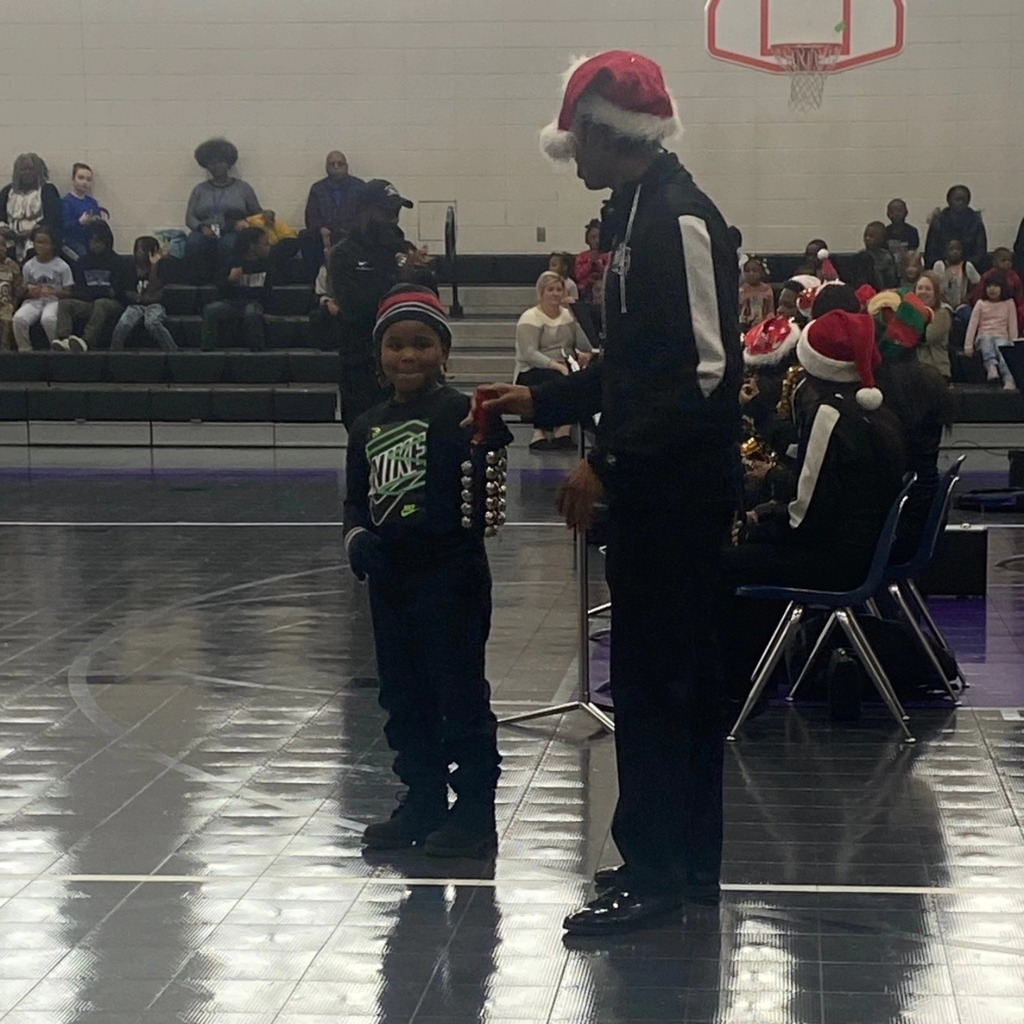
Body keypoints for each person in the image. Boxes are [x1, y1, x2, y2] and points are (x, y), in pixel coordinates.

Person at [481, 51, 742, 934]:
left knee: (664, 683)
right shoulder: (632, 217)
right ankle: (676, 867)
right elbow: (635, 365)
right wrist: (544, 398)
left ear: (601, 130)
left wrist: (612, 462)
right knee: (654, 678)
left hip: (677, 495)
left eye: (577, 141)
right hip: (656, 488)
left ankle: (662, 872)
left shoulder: (681, 219)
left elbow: (708, 375)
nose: (574, 159)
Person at [344, 285, 511, 859]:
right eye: (395, 345)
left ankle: (474, 813)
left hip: (452, 576)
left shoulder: (460, 415)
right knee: (403, 693)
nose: (407, 356)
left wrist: (489, 429)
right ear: (379, 354)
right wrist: (358, 536)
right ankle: (421, 797)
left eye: (420, 344)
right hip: (391, 580)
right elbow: (354, 499)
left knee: (458, 693)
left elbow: (488, 478)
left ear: (443, 350)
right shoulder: (366, 424)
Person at [330, 179, 427, 430]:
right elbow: (355, 308)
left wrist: (423, 273)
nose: (393, 219)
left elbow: (424, 303)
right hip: (362, 364)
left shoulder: (403, 250)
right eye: (387, 212)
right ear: (367, 212)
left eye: (396, 212)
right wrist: (399, 278)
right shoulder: (344, 254)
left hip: (403, 366)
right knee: (365, 440)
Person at [514, 271, 593, 451]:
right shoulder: (530, 317)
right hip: (534, 368)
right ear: (541, 292)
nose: (556, 293)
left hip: (565, 363)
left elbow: (583, 343)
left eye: (559, 289)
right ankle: (539, 433)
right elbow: (529, 353)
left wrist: (577, 320)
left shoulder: (567, 316)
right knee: (550, 380)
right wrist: (555, 365)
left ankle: (563, 431)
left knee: (578, 380)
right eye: (551, 290)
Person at [51, 221, 128, 352]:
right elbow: (80, 290)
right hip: (88, 303)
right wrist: (102, 291)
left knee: (101, 303)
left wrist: (96, 292)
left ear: (106, 241)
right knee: (65, 304)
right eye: (92, 240)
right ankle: (64, 339)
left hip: (113, 305)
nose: (95, 244)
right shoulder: (82, 262)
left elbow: (117, 292)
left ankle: (87, 340)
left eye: (98, 240)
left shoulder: (118, 262)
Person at [184, 138, 262, 264]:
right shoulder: (199, 189)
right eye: (212, 163)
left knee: (228, 244)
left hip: (233, 231)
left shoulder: (243, 188)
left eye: (220, 162)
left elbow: (257, 213)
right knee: (193, 243)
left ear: (228, 163)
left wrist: (245, 222)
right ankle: (197, 280)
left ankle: (226, 279)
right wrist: (201, 228)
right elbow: (190, 217)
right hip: (205, 230)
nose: (216, 166)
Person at [201, 227, 271, 351]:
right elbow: (220, 287)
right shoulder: (232, 262)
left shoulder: (266, 265)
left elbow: (267, 291)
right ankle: (207, 349)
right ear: (252, 246)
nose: (268, 247)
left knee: (252, 313)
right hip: (231, 303)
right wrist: (230, 280)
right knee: (210, 310)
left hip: (254, 302)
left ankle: (258, 351)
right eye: (265, 244)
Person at [110, 236, 178, 352]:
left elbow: (153, 288)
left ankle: (172, 351)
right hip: (135, 305)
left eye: (140, 250)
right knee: (124, 323)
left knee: (152, 323)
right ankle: (114, 353)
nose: (137, 253)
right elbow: (126, 291)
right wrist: (140, 298)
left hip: (155, 305)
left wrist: (154, 265)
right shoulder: (128, 267)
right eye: (136, 250)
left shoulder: (162, 267)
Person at [12, 226, 73, 351]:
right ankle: (25, 350)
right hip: (34, 301)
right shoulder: (28, 265)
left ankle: (57, 349)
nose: (41, 246)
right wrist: (30, 292)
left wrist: (55, 292)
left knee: (48, 319)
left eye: (45, 243)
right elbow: (22, 291)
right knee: (19, 319)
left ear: (53, 245)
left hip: (54, 301)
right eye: (38, 242)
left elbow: (69, 292)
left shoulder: (62, 266)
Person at [302, 150, 365, 263]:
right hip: (324, 236)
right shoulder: (317, 189)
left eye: (339, 163)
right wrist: (320, 229)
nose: (336, 167)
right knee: (306, 236)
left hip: (352, 235)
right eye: (332, 164)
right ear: (326, 167)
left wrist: (351, 230)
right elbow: (311, 216)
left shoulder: (360, 187)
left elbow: (365, 214)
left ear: (346, 166)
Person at [0, 154, 62, 260]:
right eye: (23, 169)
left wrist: (33, 232)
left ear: (38, 171)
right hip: (10, 239)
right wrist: (3, 228)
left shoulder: (47, 190)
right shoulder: (7, 192)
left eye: (31, 169)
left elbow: (52, 218)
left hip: (37, 240)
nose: (27, 173)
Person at [964, 272, 1017, 389]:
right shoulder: (981, 304)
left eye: (996, 286)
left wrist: (1014, 343)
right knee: (987, 341)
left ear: (1002, 288)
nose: (992, 290)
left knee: (1002, 348)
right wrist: (968, 345)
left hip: (1002, 336)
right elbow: (972, 325)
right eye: (989, 286)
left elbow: (1012, 324)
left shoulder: (1009, 303)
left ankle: (1008, 379)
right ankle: (991, 367)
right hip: (984, 335)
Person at [924, 185, 987, 271]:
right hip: (942, 268)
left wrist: (963, 266)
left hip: (969, 268)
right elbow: (930, 252)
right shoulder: (938, 221)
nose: (960, 203)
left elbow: (980, 252)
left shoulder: (976, 222)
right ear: (949, 201)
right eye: (957, 200)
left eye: (964, 200)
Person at [968, 247, 1024, 331]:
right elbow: (978, 296)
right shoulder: (987, 276)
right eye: (1003, 260)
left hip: (1010, 310)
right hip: (989, 309)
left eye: (1009, 260)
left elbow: (1019, 297)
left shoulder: (1014, 277)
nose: (1007, 263)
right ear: (994, 262)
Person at [61, 163, 107, 258]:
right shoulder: (66, 202)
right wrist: (80, 222)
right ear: (73, 179)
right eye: (81, 178)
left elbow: (99, 227)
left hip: (91, 242)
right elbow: (63, 227)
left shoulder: (92, 202)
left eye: (88, 179)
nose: (85, 182)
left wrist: (96, 220)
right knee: (84, 255)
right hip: (72, 243)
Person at [914, 270, 953, 381]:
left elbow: (928, 337)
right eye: (920, 288)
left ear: (936, 293)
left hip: (936, 370)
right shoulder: (910, 312)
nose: (923, 292)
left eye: (928, 289)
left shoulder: (942, 313)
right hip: (914, 369)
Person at [933, 239, 980, 310]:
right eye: (951, 249)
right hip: (942, 303)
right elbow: (933, 285)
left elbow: (978, 284)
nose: (955, 252)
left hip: (962, 304)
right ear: (946, 252)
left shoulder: (967, 266)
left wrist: (968, 297)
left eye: (958, 249)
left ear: (962, 251)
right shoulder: (939, 265)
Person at [855, 221, 900, 291]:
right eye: (865, 235)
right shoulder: (861, 256)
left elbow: (892, 280)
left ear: (881, 239)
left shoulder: (887, 257)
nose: (867, 239)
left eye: (871, 236)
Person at [0, 227, 24, 350]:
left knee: (6, 320)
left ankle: (5, 353)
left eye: (3, 245)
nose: (0, 248)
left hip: (6, 304)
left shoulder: (12, 266)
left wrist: (14, 305)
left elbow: (18, 290)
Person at [574, 218, 609, 300]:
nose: (596, 240)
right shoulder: (582, 256)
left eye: (599, 237)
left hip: (604, 288)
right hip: (585, 290)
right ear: (587, 239)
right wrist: (590, 262)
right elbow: (578, 275)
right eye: (593, 237)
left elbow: (609, 274)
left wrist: (599, 263)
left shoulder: (608, 255)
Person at [739, 256, 774, 332]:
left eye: (755, 271)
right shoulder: (741, 290)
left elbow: (770, 309)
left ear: (761, 273)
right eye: (747, 271)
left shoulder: (766, 289)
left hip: (763, 324)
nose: (751, 273)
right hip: (744, 324)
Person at [885, 198, 920, 264]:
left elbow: (913, 251)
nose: (896, 214)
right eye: (893, 211)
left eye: (899, 210)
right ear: (888, 214)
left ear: (906, 212)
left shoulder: (912, 232)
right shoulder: (884, 232)